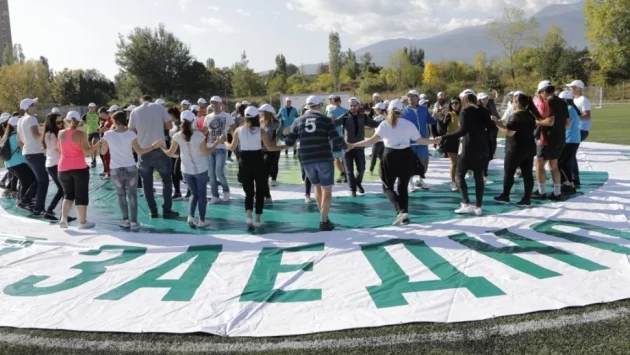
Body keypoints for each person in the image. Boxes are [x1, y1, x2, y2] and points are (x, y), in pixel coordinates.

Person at [348, 100, 438, 225]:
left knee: (387, 187)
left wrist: (352, 145)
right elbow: (421, 141)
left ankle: (401, 210)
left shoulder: (385, 124)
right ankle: (404, 216)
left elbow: (371, 141)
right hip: (407, 155)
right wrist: (435, 141)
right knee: (403, 187)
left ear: (388, 110)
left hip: (390, 155)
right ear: (401, 111)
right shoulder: (408, 124)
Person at [284, 96, 347, 231]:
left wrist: (282, 136)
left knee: (317, 187)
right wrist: (346, 146)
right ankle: (323, 221)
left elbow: (289, 142)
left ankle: (324, 217)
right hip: (323, 157)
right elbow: (336, 139)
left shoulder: (297, 120)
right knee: (327, 189)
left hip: (306, 159)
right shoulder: (325, 120)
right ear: (319, 106)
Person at [224, 106, 287, 228]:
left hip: (244, 161)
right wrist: (284, 147)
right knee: (260, 191)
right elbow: (270, 148)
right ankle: (258, 218)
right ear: (257, 117)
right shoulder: (261, 131)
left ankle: (248, 217)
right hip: (258, 161)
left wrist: (224, 142)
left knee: (249, 193)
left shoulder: (238, 130)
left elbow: (232, 148)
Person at [160, 111, 223, 228]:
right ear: (193, 121)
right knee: (202, 195)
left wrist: (161, 146)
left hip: (186, 170)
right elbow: (206, 152)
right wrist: (216, 143)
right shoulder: (199, 135)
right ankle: (202, 219)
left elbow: (170, 153)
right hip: (201, 169)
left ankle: (190, 216)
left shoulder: (177, 135)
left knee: (194, 193)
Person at [102, 111, 161, 231]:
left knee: (121, 195)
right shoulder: (131, 135)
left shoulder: (108, 134)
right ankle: (134, 221)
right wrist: (153, 147)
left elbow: (103, 152)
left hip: (115, 169)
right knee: (132, 195)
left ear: (114, 121)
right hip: (131, 168)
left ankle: (125, 219)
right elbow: (139, 151)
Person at [441, 91, 496, 216]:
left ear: (464, 99)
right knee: (478, 177)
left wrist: (444, 137)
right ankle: (478, 206)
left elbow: (462, 131)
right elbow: (492, 127)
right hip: (483, 149)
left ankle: (466, 203)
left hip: (469, 148)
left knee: (459, 175)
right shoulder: (483, 110)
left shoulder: (465, 111)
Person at [129, 95, 179, 219]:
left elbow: (131, 130)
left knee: (147, 183)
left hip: (143, 150)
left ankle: (153, 210)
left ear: (141, 101)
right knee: (166, 181)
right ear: (151, 99)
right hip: (159, 149)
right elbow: (169, 127)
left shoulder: (135, 111)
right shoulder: (159, 107)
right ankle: (167, 209)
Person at [57, 111, 102, 229]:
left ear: (66, 120)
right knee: (81, 195)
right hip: (78, 167)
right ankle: (82, 222)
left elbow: (59, 149)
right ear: (79, 122)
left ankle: (63, 218)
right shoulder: (80, 134)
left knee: (68, 195)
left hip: (63, 167)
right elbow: (87, 152)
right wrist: (98, 144)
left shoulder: (61, 133)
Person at [492, 93, 538, 207]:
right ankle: (527, 198)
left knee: (509, 172)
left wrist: (497, 123)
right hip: (529, 147)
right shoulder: (531, 115)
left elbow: (510, 132)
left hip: (515, 148)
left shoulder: (516, 116)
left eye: (513, 101)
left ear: (517, 103)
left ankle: (505, 196)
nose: (512, 103)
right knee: (527, 174)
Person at [334, 97, 379, 197]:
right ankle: (352, 189)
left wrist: (387, 121)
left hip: (359, 147)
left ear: (359, 105)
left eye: (355, 105)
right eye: (351, 105)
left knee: (361, 168)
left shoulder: (363, 117)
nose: (353, 107)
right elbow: (333, 124)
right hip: (347, 148)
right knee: (349, 171)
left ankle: (358, 183)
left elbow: (375, 124)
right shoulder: (345, 117)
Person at [533, 80, 569, 201]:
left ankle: (541, 191)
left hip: (547, 138)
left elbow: (549, 121)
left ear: (543, 91)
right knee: (554, 165)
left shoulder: (548, 102)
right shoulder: (562, 102)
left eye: (540, 93)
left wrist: (536, 121)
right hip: (560, 137)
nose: (539, 95)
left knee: (539, 164)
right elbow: (567, 123)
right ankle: (557, 193)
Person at [17, 98, 49, 218]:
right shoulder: (32, 119)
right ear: (29, 107)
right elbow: (36, 136)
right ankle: (38, 209)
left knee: (39, 179)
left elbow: (20, 140)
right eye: (34, 104)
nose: (36, 106)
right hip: (35, 153)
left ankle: (25, 200)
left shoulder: (21, 120)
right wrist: (49, 135)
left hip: (28, 152)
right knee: (43, 181)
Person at [401, 90, 437, 191]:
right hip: (409, 142)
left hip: (423, 141)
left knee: (424, 163)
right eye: (409, 97)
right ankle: (410, 182)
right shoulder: (403, 111)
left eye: (413, 96)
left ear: (418, 98)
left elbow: (430, 121)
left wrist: (436, 117)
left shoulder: (424, 110)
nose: (410, 98)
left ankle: (420, 180)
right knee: (410, 164)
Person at [42, 113, 74, 221]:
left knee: (62, 189)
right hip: (55, 164)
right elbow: (57, 149)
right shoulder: (52, 135)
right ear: (52, 123)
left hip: (51, 164)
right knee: (66, 190)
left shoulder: (49, 133)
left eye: (62, 121)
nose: (61, 124)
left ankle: (53, 211)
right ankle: (58, 213)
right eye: (58, 122)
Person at [203, 96, 235, 204]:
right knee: (211, 173)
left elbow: (234, 128)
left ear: (221, 104)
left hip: (221, 148)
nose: (213, 105)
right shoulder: (207, 117)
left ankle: (226, 191)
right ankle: (215, 195)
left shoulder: (227, 116)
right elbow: (204, 131)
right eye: (212, 103)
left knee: (219, 172)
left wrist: (229, 136)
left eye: (216, 103)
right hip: (210, 147)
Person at [3, 116, 36, 212]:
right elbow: (24, 147)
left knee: (24, 181)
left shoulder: (6, 136)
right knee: (28, 181)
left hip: (9, 163)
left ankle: (21, 199)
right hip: (18, 162)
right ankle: (23, 202)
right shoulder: (16, 136)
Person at [567, 80, 591, 186]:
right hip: (574, 130)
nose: (570, 89)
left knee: (570, 153)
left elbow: (587, 115)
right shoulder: (574, 100)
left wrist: (575, 118)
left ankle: (574, 178)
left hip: (581, 130)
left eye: (572, 87)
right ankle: (571, 177)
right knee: (569, 153)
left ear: (578, 88)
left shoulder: (583, 100)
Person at [558, 90, 582, 193]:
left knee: (558, 162)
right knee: (565, 162)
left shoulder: (567, 109)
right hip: (575, 139)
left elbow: (566, 125)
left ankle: (566, 183)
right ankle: (570, 183)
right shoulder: (573, 108)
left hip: (569, 140)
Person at [436, 97, 462, 192]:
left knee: (461, 163)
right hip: (451, 141)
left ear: (460, 103)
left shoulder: (463, 114)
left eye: (456, 103)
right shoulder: (449, 115)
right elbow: (442, 128)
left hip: (462, 141)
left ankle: (459, 179)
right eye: (452, 103)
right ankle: (453, 182)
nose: (454, 104)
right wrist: (446, 136)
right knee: (454, 163)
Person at [259, 104, 282, 197]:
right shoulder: (260, 122)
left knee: (273, 165)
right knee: (263, 172)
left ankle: (272, 181)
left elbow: (280, 135)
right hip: (261, 149)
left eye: (262, 112)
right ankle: (266, 194)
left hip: (273, 149)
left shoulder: (277, 123)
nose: (261, 113)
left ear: (267, 113)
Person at [478, 93, 500, 184]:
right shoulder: (477, 110)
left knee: (489, 155)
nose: (485, 100)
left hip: (489, 134)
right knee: (484, 156)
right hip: (481, 136)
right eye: (483, 99)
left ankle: (482, 174)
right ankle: (483, 175)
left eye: (486, 98)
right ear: (479, 100)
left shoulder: (489, 108)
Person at [327, 96, 349, 184]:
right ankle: (343, 173)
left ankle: (345, 174)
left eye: (337, 100)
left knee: (342, 157)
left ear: (340, 101)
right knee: (336, 157)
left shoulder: (346, 111)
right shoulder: (331, 111)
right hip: (335, 137)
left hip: (342, 137)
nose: (336, 102)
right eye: (335, 100)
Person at [167, 107, 186, 200]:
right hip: (173, 152)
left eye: (169, 114)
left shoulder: (180, 125)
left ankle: (192, 188)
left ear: (173, 114)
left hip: (180, 152)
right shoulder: (172, 124)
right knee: (173, 173)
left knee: (178, 172)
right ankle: (177, 192)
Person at [369, 102, 387, 174]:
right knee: (382, 157)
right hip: (385, 141)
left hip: (377, 141)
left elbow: (373, 127)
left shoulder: (377, 118)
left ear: (379, 110)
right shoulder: (387, 117)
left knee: (374, 156)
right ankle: (384, 170)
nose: (375, 110)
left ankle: (371, 170)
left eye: (376, 109)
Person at [82, 103, 100, 168]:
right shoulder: (86, 115)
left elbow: (101, 122)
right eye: (91, 107)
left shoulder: (98, 114)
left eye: (94, 107)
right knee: (90, 147)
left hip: (96, 131)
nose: (92, 108)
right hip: (89, 132)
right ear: (88, 107)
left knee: (93, 143)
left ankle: (94, 159)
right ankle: (93, 160)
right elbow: (82, 122)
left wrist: (100, 127)